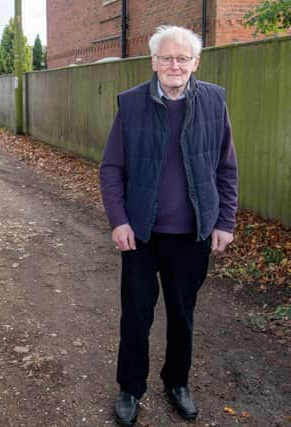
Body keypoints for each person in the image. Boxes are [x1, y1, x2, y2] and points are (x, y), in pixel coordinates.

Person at [99, 25, 238, 426]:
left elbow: (227, 168)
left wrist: (224, 220)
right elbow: (111, 168)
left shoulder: (214, 101)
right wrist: (119, 220)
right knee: (136, 316)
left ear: (195, 63)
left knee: (183, 314)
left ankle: (177, 382)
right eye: (166, 58)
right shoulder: (131, 104)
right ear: (153, 62)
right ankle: (130, 388)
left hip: (193, 234)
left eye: (182, 58)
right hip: (141, 233)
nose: (174, 65)